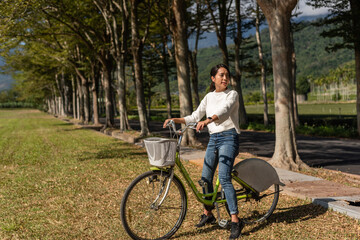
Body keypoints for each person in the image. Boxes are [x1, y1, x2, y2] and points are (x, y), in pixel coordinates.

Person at [163, 64, 244, 240]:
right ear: (213, 78)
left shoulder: (232, 94)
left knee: (223, 177)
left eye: (227, 76)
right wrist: (174, 119)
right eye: (221, 75)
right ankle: (208, 213)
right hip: (214, 139)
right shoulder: (208, 97)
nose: (225, 78)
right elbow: (194, 116)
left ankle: (236, 220)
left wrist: (207, 121)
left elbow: (224, 111)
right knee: (205, 178)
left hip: (229, 137)